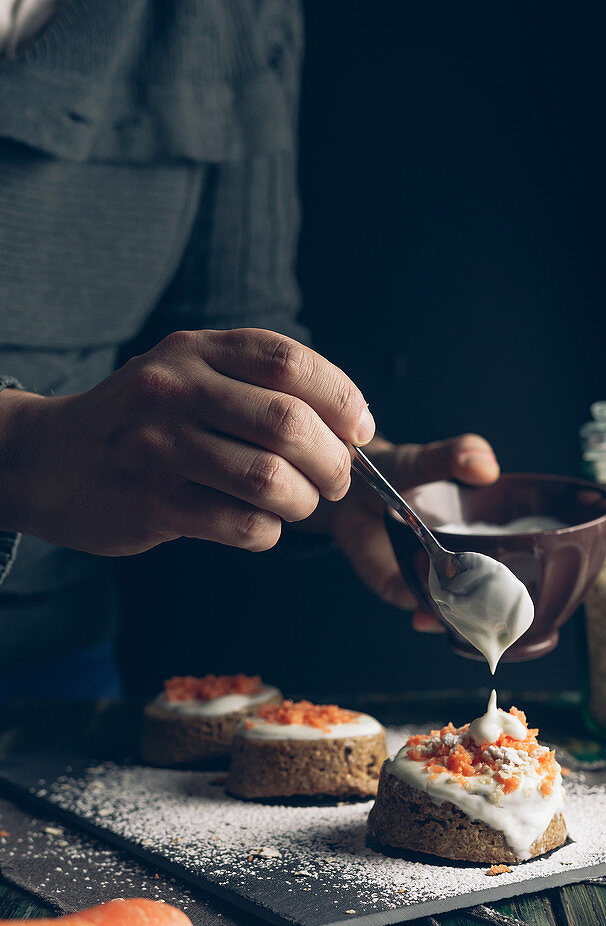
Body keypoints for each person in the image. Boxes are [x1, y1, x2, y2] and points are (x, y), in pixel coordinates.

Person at [0, 0, 499, 699]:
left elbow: (232, 332)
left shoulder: (230, 16)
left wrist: (336, 471)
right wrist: (19, 451)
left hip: (49, 665)